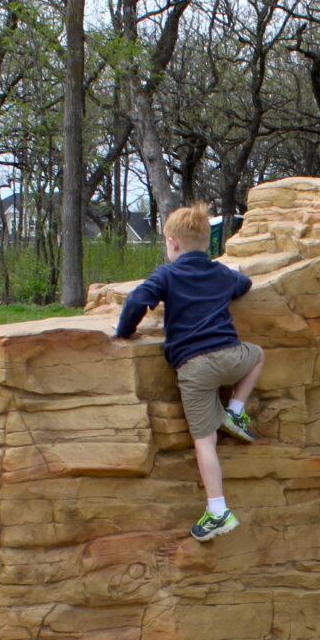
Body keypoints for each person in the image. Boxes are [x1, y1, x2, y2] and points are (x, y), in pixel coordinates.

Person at [113, 202, 264, 542]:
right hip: (231, 358)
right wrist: (230, 271)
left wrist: (124, 331)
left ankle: (218, 509)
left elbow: (138, 299)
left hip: (194, 367)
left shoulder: (167, 275)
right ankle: (236, 412)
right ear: (205, 243)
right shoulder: (221, 272)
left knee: (204, 441)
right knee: (258, 356)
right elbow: (244, 284)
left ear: (174, 244)